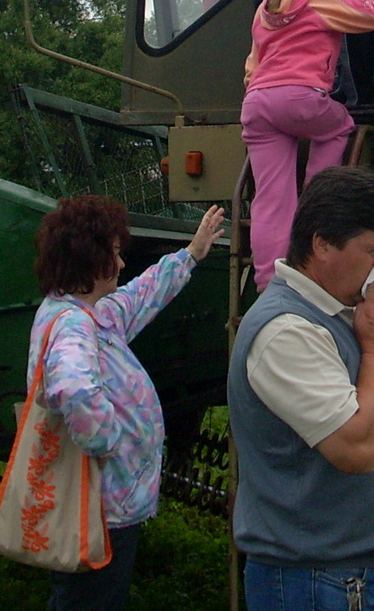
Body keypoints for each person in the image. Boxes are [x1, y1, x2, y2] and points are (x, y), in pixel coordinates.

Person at [228, 167, 374, 611]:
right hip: (314, 582)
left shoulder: (344, 310)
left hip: (352, 575)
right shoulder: (287, 330)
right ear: (321, 244)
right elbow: (357, 450)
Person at [29, 196, 226, 611]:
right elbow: (74, 390)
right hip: (97, 506)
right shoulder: (72, 326)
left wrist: (191, 255)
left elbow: (140, 295)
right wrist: (109, 442)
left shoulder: (91, 313)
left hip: (106, 504)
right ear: (89, 259)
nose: (121, 266)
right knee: (90, 602)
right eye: (115, 255)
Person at [242, 0, 374, 288]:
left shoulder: (264, 9)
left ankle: (268, 281)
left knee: (270, 199)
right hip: (301, 98)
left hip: (257, 104)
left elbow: (252, 66)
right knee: (339, 127)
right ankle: (318, 198)